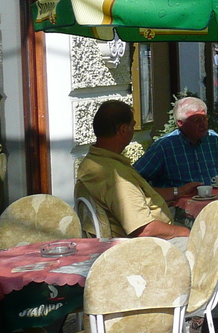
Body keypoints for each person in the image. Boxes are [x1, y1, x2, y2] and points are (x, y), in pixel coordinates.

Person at [76, 100, 191, 245]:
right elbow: (143, 229)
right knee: (209, 243)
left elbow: (137, 196)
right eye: (132, 125)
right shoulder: (116, 177)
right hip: (146, 246)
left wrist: (178, 192)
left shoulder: (93, 162)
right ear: (123, 130)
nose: (133, 129)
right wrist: (184, 232)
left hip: (137, 239)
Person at [135, 96, 218, 200]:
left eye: (204, 118)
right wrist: (176, 191)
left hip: (217, 206)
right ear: (180, 123)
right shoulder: (164, 147)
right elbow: (132, 180)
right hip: (180, 211)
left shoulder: (215, 140)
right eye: (196, 119)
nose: (203, 124)